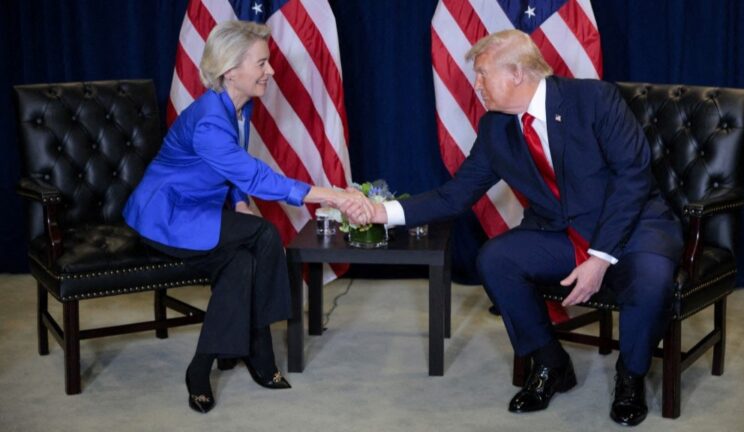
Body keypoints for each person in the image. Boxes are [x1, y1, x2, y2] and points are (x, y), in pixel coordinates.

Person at [363, 29, 683, 426]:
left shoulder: (594, 99)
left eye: (482, 74)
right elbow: (455, 195)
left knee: (652, 278)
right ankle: (551, 363)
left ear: (517, 73)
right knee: (497, 258)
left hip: (634, 227)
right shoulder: (496, 128)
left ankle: (630, 376)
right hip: (560, 234)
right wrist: (382, 213)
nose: (476, 85)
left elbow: (632, 179)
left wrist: (600, 258)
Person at [123, 20, 372, 414]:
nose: (271, 71)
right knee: (264, 234)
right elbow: (254, 173)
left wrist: (239, 200)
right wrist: (335, 196)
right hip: (165, 217)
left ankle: (200, 367)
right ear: (230, 70)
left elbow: (233, 166)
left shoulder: (238, 104)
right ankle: (260, 349)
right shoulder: (208, 119)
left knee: (241, 264)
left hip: (197, 213)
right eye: (262, 63)